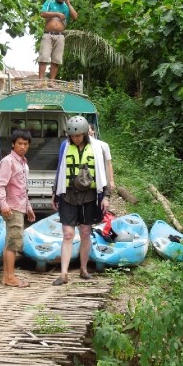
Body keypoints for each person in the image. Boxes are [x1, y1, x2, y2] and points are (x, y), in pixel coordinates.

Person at [51, 116, 110, 284]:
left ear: (85, 134)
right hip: (68, 195)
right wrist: (54, 192)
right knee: (68, 234)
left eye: (78, 136)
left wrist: (106, 196)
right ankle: (63, 274)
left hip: (89, 197)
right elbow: (60, 170)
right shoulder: (65, 146)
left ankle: (83, 269)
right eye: (72, 136)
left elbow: (102, 174)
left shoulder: (96, 148)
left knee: (85, 233)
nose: (75, 139)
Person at [0, 129, 36, 288]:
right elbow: (0, 185)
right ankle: (11, 277)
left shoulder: (23, 162)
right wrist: (3, 204)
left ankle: (7, 277)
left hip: (20, 206)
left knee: (10, 242)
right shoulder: (8, 161)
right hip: (12, 208)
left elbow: (22, 187)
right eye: (19, 143)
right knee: (14, 243)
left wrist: (29, 206)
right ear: (13, 144)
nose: (22, 146)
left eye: (25, 144)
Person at [38, 0, 78, 80]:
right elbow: (42, 13)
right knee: (43, 58)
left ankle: (52, 82)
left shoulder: (66, 7)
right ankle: (40, 81)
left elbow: (75, 17)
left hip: (60, 36)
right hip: (48, 34)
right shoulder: (49, 2)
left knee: (56, 60)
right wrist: (56, 14)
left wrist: (68, 3)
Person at [88, 123, 115, 191]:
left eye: (88, 129)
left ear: (93, 131)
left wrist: (111, 180)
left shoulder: (103, 145)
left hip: (101, 177)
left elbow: (109, 163)